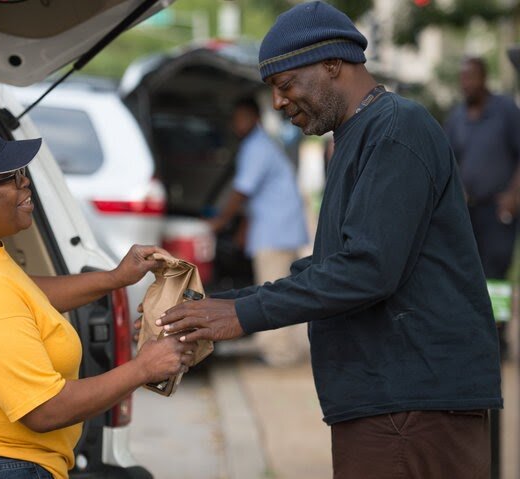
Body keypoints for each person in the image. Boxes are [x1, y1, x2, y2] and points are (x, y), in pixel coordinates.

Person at [155, 2, 503, 478]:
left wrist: (241, 314)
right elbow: (328, 268)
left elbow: (368, 269)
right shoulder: (356, 135)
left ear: (332, 65)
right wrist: (215, 304)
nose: (278, 102)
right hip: (388, 401)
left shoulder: (396, 129)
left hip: (413, 402)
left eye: (285, 84)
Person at [0, 118, 196, 479]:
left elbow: (20, 294)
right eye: (9, 177)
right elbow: (45, 410)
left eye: (21, 171)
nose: (25, 182)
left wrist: (115, 279)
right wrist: (143, 368)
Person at [210, 97, 308, 366]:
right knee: (275, 288)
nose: (236, 123)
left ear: (254, 118)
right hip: (276, 227)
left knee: (274, 290)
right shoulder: (259, 145)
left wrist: (218, 222)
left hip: (276, 230)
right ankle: (276, 347)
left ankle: (280, 354)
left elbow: (242, 191)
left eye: (241, 117)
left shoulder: (256, 147)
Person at [444, 56, 520, 353]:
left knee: (497, 272)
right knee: (468, 271)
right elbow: (448, 161)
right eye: (463, 78)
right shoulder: (457, 118)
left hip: (500, 208)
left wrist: (514, 194)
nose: (467, 83)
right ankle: (477, 334)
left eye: (472, 77)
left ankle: (499, 337)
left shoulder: (505, 111)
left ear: (484, 78)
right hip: (468, 209)